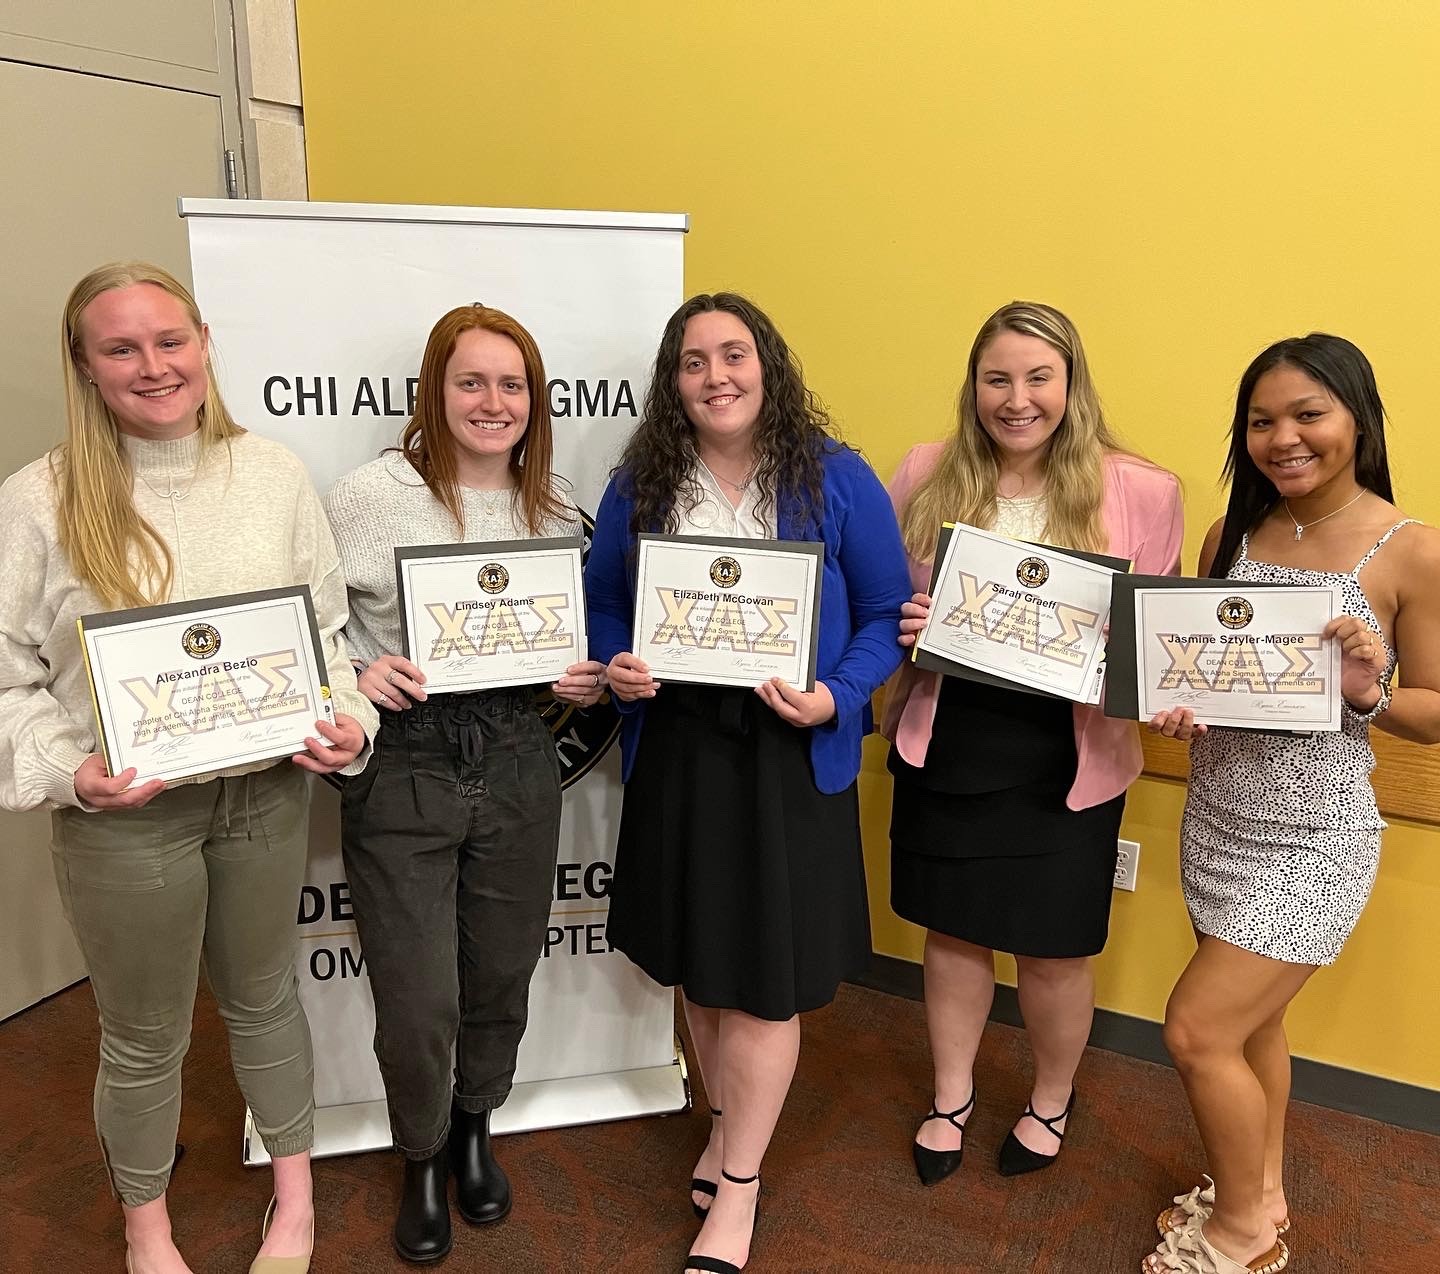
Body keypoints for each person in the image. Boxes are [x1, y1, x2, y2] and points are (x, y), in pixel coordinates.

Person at [0, 262, 376, 1274]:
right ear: (83, 364)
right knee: (143, 1034)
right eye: (121, 347)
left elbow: (327, 638)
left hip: (264, 795)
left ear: (205, 340)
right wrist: (72, 771)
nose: (153, 365)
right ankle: (147, 1225)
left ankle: (293, 1199)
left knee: (265, 996)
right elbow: (5, 679)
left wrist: (345, 720)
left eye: (170, 339)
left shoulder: (272, 474)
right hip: (125, 820)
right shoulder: (37, 501)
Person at [585, 292, 911, 1273]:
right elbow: (604, 600)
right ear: (672, 380)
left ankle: (739, 1185)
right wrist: (618, 663)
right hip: (680, 747)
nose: (715, 375)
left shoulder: (837, 478)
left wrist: (838, 696)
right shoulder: (641, 483)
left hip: (784, 751)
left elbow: (887, 608)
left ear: (768, 365)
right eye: (693, 361)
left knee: (764, 981)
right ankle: (729, 1124)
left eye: (734, 354)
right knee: (698, 956)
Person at [1142, 334, 1440, 1274]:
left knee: (1197, 1031)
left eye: (1308, 414)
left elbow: (1435, 710)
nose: (1284, 437)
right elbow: (1200, 661)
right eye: (1262, 420)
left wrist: (1370, 691)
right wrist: (1180, 705)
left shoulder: (1410, 550)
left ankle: (1242, 1236)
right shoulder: (1231, 535)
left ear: (1357, 419)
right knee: (1253, 1027)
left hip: (1316, 837)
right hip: (1218, 817)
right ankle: (1258, 1190)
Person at [324, 303, 606, 1264]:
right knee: (415, 993)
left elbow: (565, 646)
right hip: (405, 757)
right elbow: (315, 630)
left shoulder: (555, 506)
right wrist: (354, 675)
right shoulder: (369, 495)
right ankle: (421, 1152)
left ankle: (477, 1125)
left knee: (500, 970)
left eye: (512, 384)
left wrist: (577, 677)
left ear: (536, 399)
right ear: (434, 392)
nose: (493, 402)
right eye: (471, 382)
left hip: (521, 752)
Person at [883, 301, 1183, 1189]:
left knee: (1054, 949)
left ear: (1071, 384)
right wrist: (907, 621)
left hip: (1068, 753)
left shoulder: (1141, 488)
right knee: (955, 934)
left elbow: (1149, 636)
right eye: (997, 379)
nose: (1017, 399)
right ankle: (951, 1096)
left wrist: (1144, 671)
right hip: (952, 737)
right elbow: (883, 602)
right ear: (973, 386)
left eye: (1038, 377)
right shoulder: (927, 471)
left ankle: (1052, 1097)